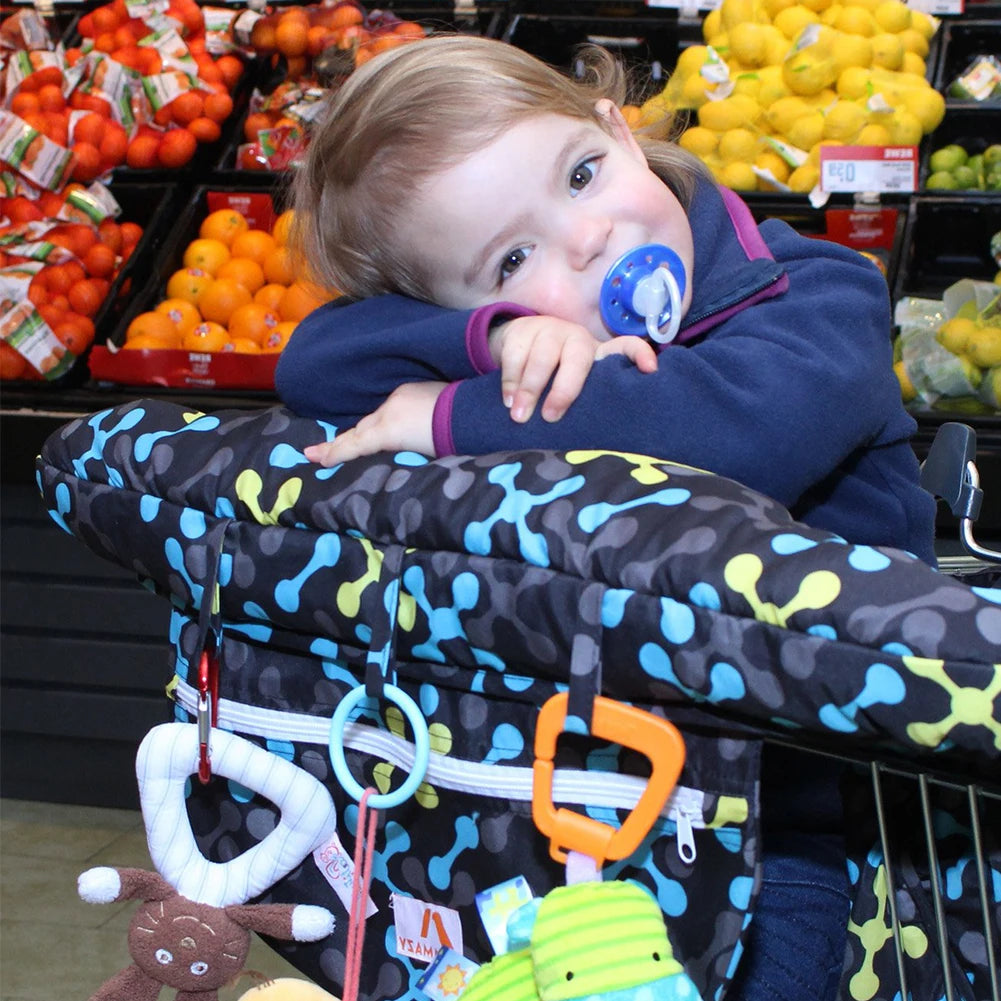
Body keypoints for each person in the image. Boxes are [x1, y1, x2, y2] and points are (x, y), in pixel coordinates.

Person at [275, 33, 938, 1001]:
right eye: (510, 256)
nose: (583, 239)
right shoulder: (531, 343)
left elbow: (723, 435)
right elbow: (313, 363)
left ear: (617, 129)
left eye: (580, 175)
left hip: (797, 815)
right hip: (582, 788)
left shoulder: (822, 301)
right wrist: (499, 334)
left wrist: (457, 411)